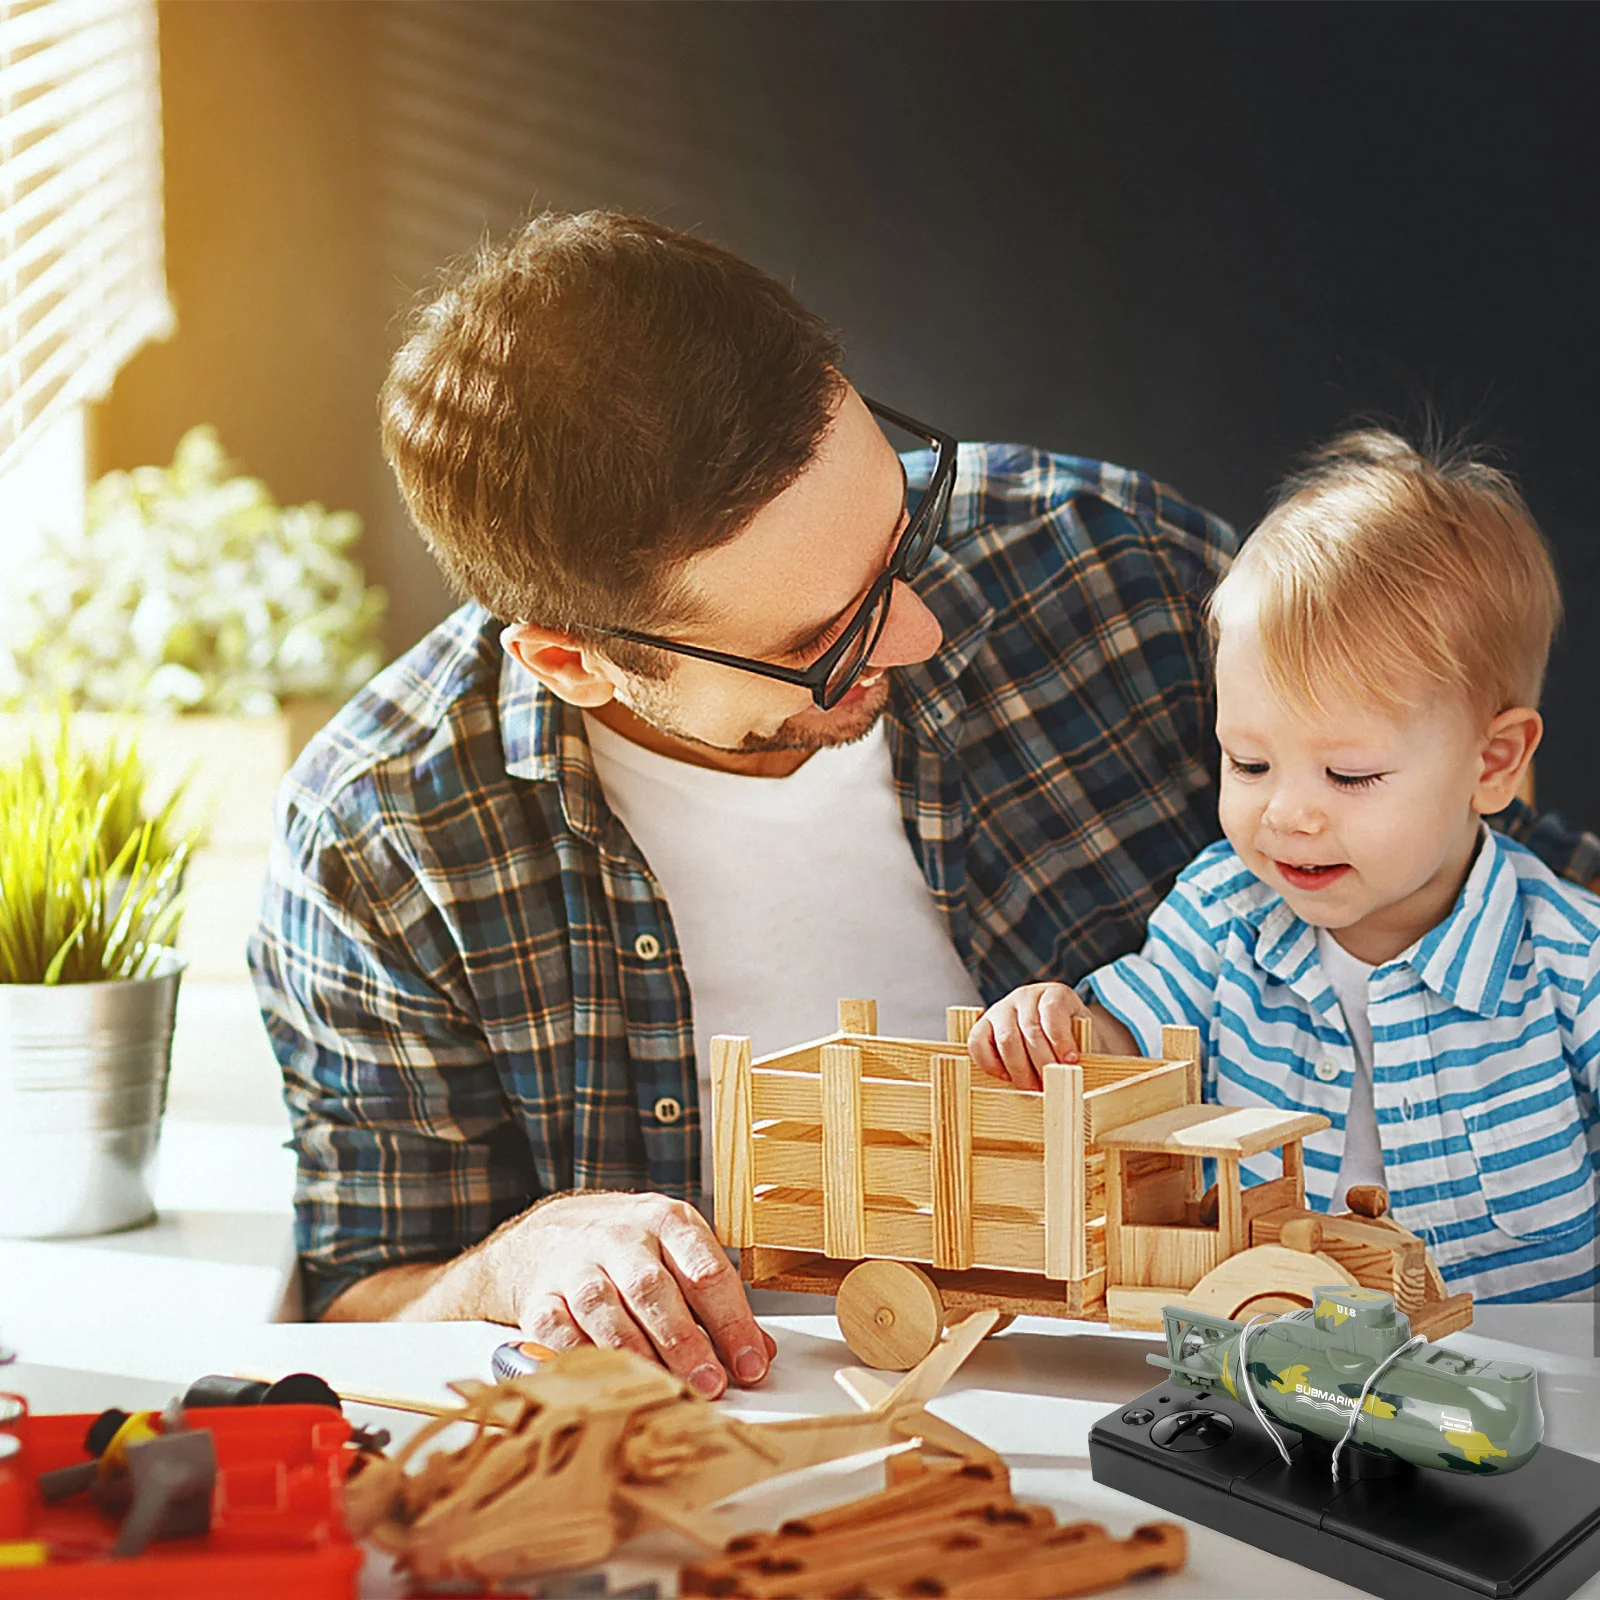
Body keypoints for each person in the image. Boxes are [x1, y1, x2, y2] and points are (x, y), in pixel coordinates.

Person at [251, 214, 1599, 1389]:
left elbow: (1497, 864)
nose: (918, 630)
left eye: (901, 528)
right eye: (822, 640)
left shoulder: (1110, 571)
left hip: (1212, 1404)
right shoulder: (384, 849)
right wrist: (517, 1259)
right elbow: (361, 1302)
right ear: (574, 657)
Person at [970, 429, 1600, 1300]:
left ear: (1491, 766)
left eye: (1349, 775)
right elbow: (1128, 1048)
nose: (1286, 814)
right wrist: (1063, 1032)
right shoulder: (1221, 915)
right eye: (1249, 763)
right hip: (1274, 1357)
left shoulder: (1574, 960)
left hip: (1532, 1386)